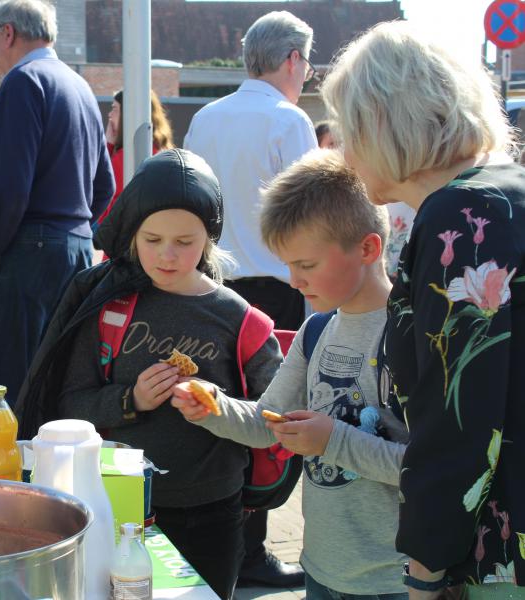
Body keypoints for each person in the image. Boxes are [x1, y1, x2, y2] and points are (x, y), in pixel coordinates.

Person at [17, 149, 283, 598]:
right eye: (152, 239)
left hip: (214, 511)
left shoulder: (240, 320)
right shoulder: (108, 304)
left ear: (209, 240)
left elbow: (278, 418)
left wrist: (218, 407)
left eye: (185, 241)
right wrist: (130, 399)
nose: (167, 255)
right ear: (131, 235)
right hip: (120, 508)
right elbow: (68, 406)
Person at [322, 21, 524, 598]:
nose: (344, 151)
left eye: (348, 128)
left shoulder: (459, 216)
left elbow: (460, 416)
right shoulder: (506, 190)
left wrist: (425, 569)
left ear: (382, 121)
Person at [172, 149, 409, 598]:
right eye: (288, 265)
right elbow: (268, 424)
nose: (294, 281)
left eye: (307, 265)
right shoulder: (316, 330)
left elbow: (426, 465)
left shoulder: (410, 336)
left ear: (367, 248)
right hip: (320, 570)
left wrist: (332, 440)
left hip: (392, 580)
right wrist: (211, 406)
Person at [183, 10, 317, 587]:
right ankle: (253, 551)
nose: (307, 73)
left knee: (215, 410)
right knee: (265, 419)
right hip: (274, 290)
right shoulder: (290, 121)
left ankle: (216, 541)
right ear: (291, 59)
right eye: (307, 62)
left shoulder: (206, 118)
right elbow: (311, 216)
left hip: (211, 281)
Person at [0, 0, 114, 407]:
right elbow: (105, 186)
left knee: (6, 395)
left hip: (24, 257)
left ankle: (12, 474)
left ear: (8, 33)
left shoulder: (23, 81)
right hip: (75, 251)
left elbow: (9, 190)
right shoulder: (79, 86)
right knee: (61, 386)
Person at [98, 88, 174, 223]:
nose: (110, 115)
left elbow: (102, 210)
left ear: (127, 113)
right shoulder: (163, 151)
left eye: (114, 109)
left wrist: (108, 147)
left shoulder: (125, 158)